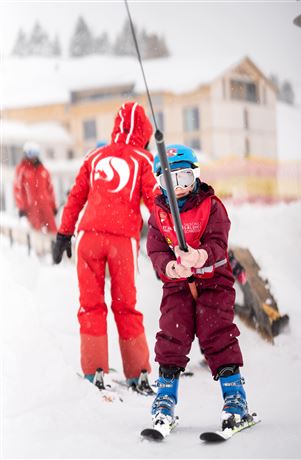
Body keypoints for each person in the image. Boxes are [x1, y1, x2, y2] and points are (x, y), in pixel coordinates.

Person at [52, 101, 159, 392]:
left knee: (91, 305)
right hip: (122, 241)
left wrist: (63, 233)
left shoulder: (95, 156)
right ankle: (138, 373)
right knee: (126, 306)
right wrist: (170, 241)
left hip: (88, 237)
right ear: (144, 132)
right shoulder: (144, 160)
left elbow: (76, 197)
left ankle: (94, 370)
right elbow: (155, 203)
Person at [146, 144, 251, 432]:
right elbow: (155, 249)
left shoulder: (211, 206)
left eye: (184, 179)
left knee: (216, 334)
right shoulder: (158, 214)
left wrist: (201, 254)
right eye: (169, 181)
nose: (178, 188)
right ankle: (165, 398)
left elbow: (219, 242)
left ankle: (235, 398)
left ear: (195, 177)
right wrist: (169, 267)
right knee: (171, 335)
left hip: (213, 281)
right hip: (178, 285)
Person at [14, 142, 57, 234]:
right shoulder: (22, 170)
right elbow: (18, 190)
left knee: (53, 232)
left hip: (46, 206)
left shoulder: (43, 170)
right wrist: (22, 207)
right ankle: (39, 248)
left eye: (35, 154)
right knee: (36, 234)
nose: (33, 157)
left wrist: (53, 206)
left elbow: (50, 190)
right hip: (31, 209)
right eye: (30, 154)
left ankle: (54, 248)